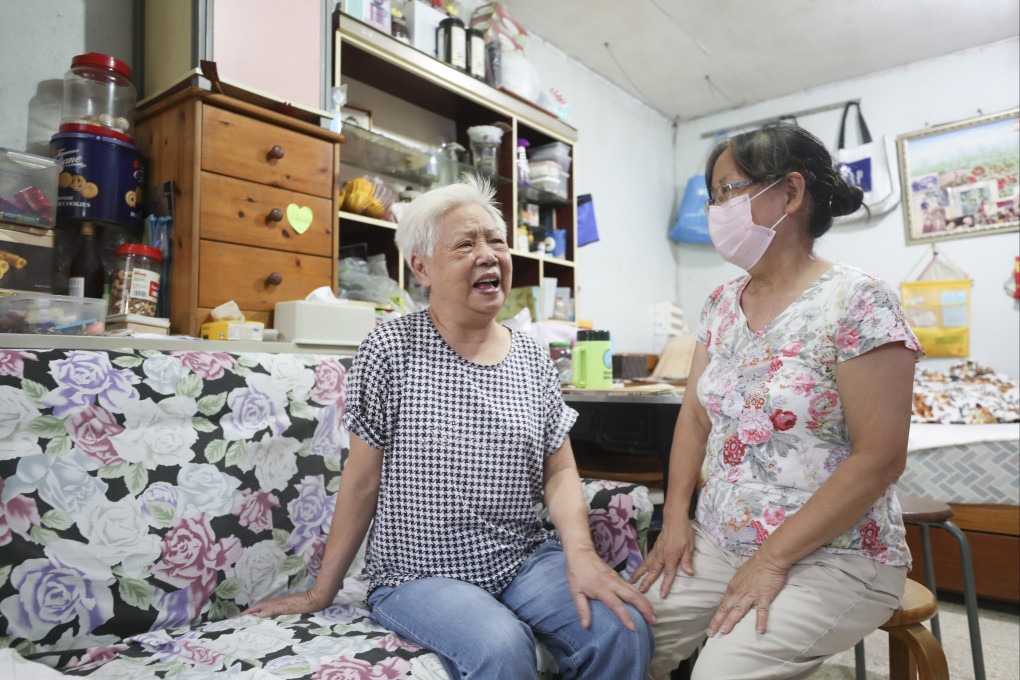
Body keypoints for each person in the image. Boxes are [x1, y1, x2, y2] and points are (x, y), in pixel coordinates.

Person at [244, 176, 655, 679]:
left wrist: (583, 556)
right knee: (501, 646)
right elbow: (361, 480)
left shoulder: (531, 355)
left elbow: (559, 470)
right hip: (418, 574)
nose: (488, 255)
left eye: (496, 241)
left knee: (622, 625)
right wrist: (320, 592)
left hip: (521, 559)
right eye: (465, 244)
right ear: (422, 267)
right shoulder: (390, 348)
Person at [630, 123, 924, 680]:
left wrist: (771, 559)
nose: (716, 209)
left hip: (835, 554)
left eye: (727, 191)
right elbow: (694, 414)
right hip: (718, 540)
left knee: (719, 673)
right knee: (618, 639)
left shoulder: (858, 299)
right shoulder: (720, 303)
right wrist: (675, 520)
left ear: (789, 193)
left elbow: (880, 458)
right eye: (713, 196)